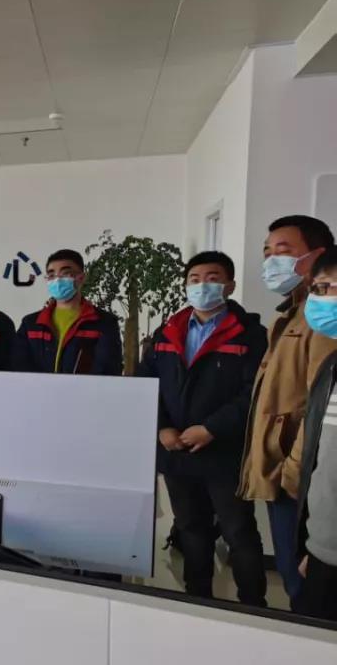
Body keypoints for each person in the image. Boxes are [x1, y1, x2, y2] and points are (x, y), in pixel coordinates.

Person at [137, 251, 267, 606]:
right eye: (194, 279)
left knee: (238, 531)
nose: (201, 285)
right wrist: (162, 428)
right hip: (176, 450)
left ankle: (254, 606)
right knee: (191, 529)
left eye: (212, 278)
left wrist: (211, 428)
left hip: (225, 452)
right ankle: (198, 601)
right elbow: (145, 383)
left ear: (230, 286)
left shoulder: (250, 334)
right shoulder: (167, 331)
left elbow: (254, 393)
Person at [239, 215, 337, 601]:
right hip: (284, 468)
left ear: (318, 255)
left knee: (302, 580)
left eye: (283, 251)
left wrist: (294, 474)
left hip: (298, 477)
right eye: (267, 253)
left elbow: (320, 407)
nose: (271, 261)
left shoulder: (323, 320)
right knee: (290, 567)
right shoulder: (291, 314)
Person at [294, 247, 337, 620]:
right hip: (324, 551)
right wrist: (315, 545)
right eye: (317, 290)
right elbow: (322, 464)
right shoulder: (331, 367)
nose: (320, 300)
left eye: (328, 288)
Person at [13, 249, 123, 375]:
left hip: (85, 388)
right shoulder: (30, 324)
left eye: (66, 274)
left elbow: (108, 369)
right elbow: (18, 366)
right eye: (51, 275)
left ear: (81, 278)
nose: (57, 280)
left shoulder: (104, 323)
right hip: (38, 388)